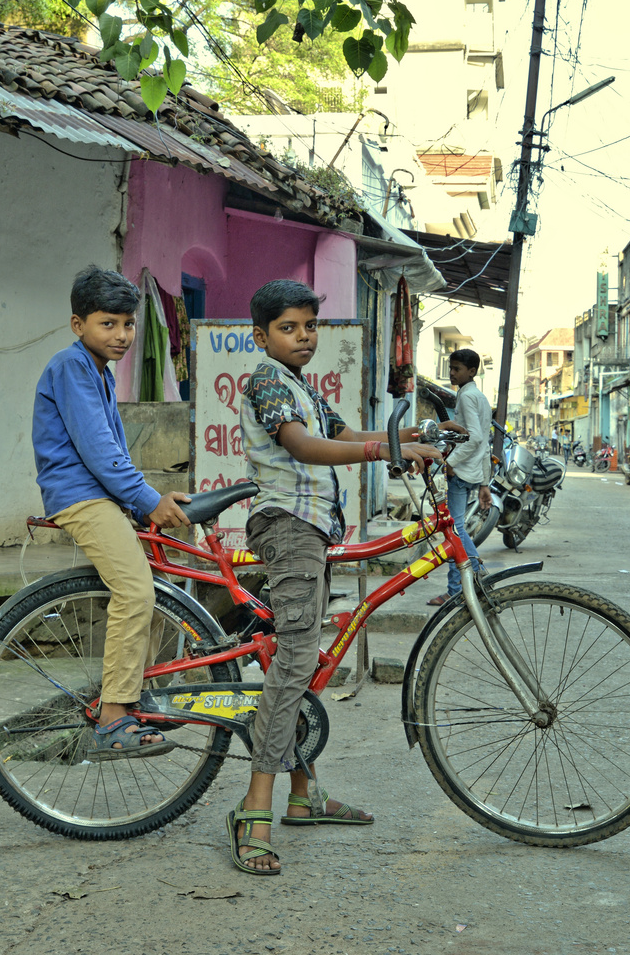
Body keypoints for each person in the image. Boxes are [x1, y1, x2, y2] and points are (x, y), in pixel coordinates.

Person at [228, 279, 441, 877]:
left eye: (309, 326)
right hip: (288, 526)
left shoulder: (302, 386)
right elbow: (302, 445)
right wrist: (384, 455)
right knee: (296, 663)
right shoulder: (267, 381)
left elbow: (344, 436)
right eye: (288, 328)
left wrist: (415, 438)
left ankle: (305, 793)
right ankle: (254, 809)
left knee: (297, 665)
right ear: (262, 336)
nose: (302, 337)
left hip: (312, 530)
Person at [32, 265, 193, 760]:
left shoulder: (95, 370)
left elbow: (111, 453)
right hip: (79, 497)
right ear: (78, 324)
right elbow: (100, 451)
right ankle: (113, 717)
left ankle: (136, 694)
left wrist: (143, 500)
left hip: (102, 496)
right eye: (108, 324)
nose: (122, 335)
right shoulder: (70, 366)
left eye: (128, 324)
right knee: (135, 589)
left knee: (159, 591)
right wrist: (148, 500)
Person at [430, 348, 491, 606]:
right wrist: (485, 482)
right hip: (472, 471)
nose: (452, 373)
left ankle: (467, 579)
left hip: (461, 470)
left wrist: (449, 462)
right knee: (456, 528)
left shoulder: (467, 397)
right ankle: (461, 584)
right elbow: (484, 441)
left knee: (454, 530)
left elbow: (475, 437)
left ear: (472, 371)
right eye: (451, 368)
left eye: (457, 369)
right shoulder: (479, 396)